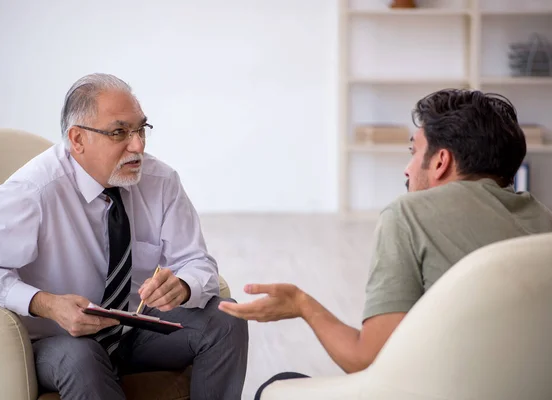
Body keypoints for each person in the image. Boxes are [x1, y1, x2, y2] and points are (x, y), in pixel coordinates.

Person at [218, 88, 552, 399]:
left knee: (275, 388)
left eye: (413, 151)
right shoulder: (542, 220)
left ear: (440, 161)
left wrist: (302, 304)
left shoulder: (410, 214)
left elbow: (368, 360)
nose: (407, 169)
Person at [0, 73, 248, 400]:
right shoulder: (33, 191)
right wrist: (46, 304)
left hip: (134, 328)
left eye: (141, 129)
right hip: (58, 340)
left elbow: (197, 262)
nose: (137, 145)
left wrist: (183, 285)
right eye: (119, 132)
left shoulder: (160, 181)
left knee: (226, 317)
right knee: (82, 358)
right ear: (77, 139)